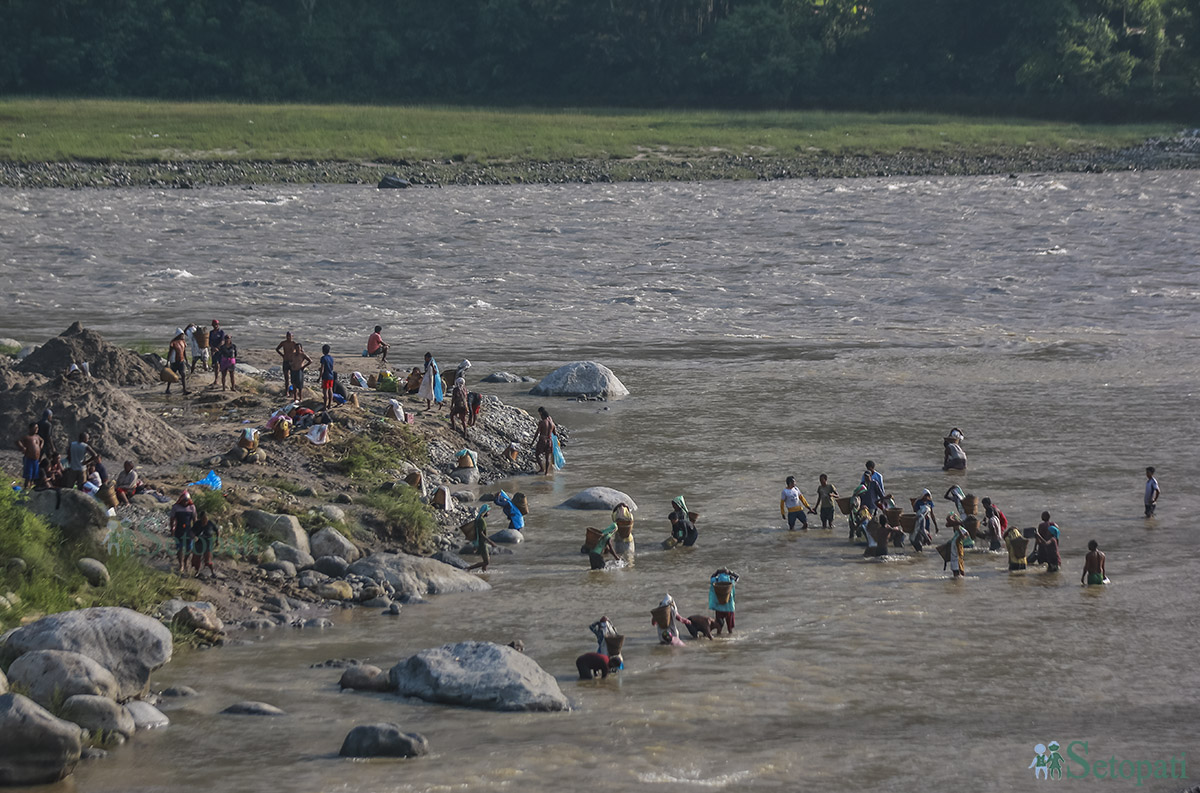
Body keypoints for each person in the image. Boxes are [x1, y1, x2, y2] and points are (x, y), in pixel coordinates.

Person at [276, 332, 311, 403]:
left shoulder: (294, 343)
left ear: (292, 336)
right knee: (286, 377)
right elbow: (277, 349)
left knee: (295, 378)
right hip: (286, 361)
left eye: (290, 336)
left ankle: (297, 395)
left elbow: (302, 351)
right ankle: (287, 392)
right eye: (287, 336)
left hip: (293, 363)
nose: (288, 337)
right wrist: (282, 355)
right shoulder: (283, 343)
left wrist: (301, 362)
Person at [169, 491, 197, 574]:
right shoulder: (176, 507)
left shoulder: (192, 507)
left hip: (189, 530)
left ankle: (185, 561)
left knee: (189, 549)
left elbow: (195, 519)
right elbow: (172, 519)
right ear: (181, 499)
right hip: (179, 530)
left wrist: (195, 531)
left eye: (187, 500)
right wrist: (172, 530)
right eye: (184, 500)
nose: (185, 502)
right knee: (180, 548)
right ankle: (181, 564)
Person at [466, 505, 499, 572]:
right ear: (485, 512)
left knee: (486, 560)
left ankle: (484, 572)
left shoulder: (479, 519)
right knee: (486, 562)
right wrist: (490, 541)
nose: (489, 513)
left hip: (481, 542)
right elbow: (481, 533)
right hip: (482, 543)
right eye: (488, 511)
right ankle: (469, 568)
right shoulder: (481, 521)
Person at [709, 567, 739, 635]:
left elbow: (711, 577)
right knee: (730, 628)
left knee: (719, 627)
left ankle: (718, 637)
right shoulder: (731, 581)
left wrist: (717, 572)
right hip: (729, 608)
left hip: (719, 607)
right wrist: (730, 572)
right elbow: (737, 577)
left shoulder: (715, 581)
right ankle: (730, 637)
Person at [15, 422, 44, 491]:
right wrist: (22, 447)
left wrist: (41, 446)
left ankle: (30, 489)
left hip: (36, 460)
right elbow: (17, 441)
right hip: (29, 459)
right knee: (28, 476)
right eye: (35, 428)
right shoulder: (27, 437)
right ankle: (26, 489)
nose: (37, 429)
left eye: (37, 428)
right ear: (31, 428)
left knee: (34, 477)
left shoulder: (37, 437)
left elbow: (42, 440)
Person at [191, 510, 219, 577]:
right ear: (200, 518)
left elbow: (217, 531)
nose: (205, 520)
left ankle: (212, 572)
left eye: (206, 519)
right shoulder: (197, 524)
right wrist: (194, 536)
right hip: (198, 543)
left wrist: (217, 540)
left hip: (207, 543)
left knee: (208, 560)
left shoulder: (210, 524)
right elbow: (191, 532)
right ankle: (197, 572)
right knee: (197, 559)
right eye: (204, 519)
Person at [166, 328, 189, 395]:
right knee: (171, 375)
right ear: (178, 335)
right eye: (181, 335)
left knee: (183, 374)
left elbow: (184, 351)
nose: (183, 336)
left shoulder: (183, 342)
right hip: (174, 361)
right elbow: (170, 352)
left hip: (181, 360)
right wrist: (168, 361)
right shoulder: (173, 343)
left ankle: (184, 390)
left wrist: (186, 359)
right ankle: (167, 389)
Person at [534, 406, 556, 474]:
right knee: (547, 457)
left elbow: (537, 433)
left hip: (542, 440)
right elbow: (555, 434)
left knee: (537, 455)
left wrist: (532, 442)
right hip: (549, 441)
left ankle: (542, 469)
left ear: (543, 415)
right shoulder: (552, 424)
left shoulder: (542, 422)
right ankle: (546, 472)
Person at [207, 320, 227, 386]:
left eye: (217, 324)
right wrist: (213, 348)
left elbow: (222, 341)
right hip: (213, 350)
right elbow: (209, 342)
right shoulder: (211, 332)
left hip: (220, 350)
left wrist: (217, 348)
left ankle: (222, 380)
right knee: (215, 365)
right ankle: (216, 379)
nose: (216, 325)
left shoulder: (221, 332)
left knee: (220, 365)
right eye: (214, 324)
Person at [319, 344, 336, 410]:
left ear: (323, 351)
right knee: (330, 390)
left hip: (325, 376)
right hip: (331, 375)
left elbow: (322, 369)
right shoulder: (331, 358)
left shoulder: (323, 358)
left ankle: (325, 405)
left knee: (325, 391)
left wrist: (319, 377)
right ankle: (329, 404)